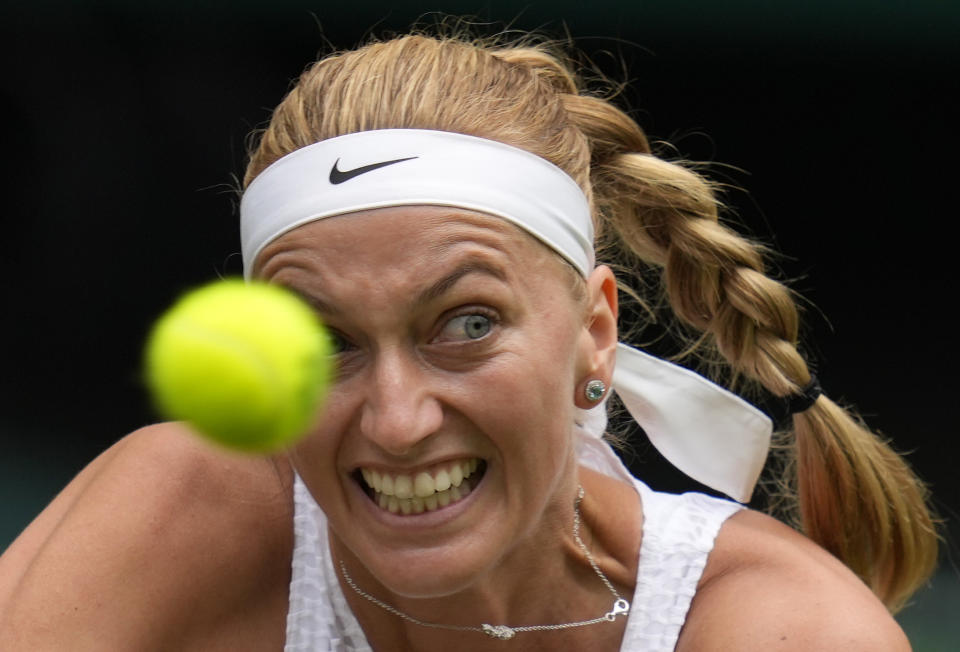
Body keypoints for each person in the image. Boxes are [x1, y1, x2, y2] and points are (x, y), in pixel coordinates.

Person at [0, 30, 939, 651]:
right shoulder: (180, 513)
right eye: (328, 342)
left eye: (467, 325)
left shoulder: (782, 631)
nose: (399, 422)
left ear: (594, 336)